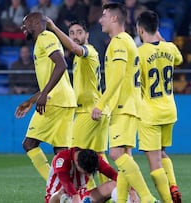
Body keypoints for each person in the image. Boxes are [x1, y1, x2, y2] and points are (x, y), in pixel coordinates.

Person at [92, 3, 158, 203]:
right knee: (125, 158)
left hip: (122, 106)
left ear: (114, 18)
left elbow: (118, 77)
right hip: (131, 105)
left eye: (104, 15)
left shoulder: (119, 42)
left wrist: (101, 104)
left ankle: (147, 198)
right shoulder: (128, 40)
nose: (100, 19)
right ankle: (126, 200)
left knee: (116, 153)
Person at [46, 18, 110, 185]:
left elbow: (74, 47)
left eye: (79, 32)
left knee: (75, 156)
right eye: (72, 33)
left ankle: (86, 195)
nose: (75, 36)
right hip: (99, 110)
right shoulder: (78, 58)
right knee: (99, 156)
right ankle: (114, 193)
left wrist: (53, 28)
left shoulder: (88, 51)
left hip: (89, 112)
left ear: (87, 35)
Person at [15, 12, 76, 181]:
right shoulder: (46, 39)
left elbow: (61, 64)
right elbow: (52, 76)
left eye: (25, 24)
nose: (23, 28)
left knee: (29, 144)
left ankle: (55, 185)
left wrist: (45, 94)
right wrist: (30, 101)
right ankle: (73, 192)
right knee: (62, 152)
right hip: (65, 101)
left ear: (35, 23)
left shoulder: (45, 37)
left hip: (54, 101)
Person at [136, 10, 183, 203]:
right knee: (162, 153)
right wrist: (160, 39)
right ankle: (173, 185)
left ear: (140, 30)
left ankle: (168, 200)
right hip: (169, 110)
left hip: (150, 113)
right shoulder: (170, 48)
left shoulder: (139, 53)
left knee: (154, 164)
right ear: (157, 29)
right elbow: (179, 60)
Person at [45, 148, 139, 203]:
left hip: (82, 196)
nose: (88, 175)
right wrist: (74, 196)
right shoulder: (62, 159)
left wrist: (132, 191)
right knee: (62, 193)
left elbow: (115, 175)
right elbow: (65, 182)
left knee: (115, 184)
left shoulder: (93, 158)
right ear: (77, 162)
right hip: (56, 198)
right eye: (86, 172)